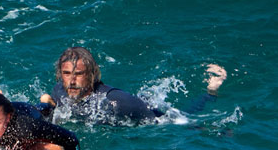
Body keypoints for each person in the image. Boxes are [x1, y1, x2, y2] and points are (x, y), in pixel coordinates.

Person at [40, 46, 227, 125]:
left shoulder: (115, 101)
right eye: (66, 74)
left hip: (152, 117)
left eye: (78, 74)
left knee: (182, 115)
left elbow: (166, 123)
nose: (71, 81)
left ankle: (210, 92)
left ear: (92, 75)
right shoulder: (59, 90)